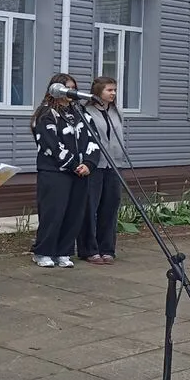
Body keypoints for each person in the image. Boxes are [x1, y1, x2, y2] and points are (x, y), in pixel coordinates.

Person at [30, 73, 100, 269]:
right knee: (53, 213)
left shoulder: (80, 112)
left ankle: (64, 251)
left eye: (73, 88)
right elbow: (50, 144)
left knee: (74, 213)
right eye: (66, 87)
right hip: (54, 172)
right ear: (55, 89)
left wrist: (89, 164)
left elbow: (94, 140)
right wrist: (73, 164)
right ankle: (43, 251)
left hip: (80, 172)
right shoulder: (46, 113)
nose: (71, 91)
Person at [78, 76, 125, 265]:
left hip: (114, 165)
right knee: (90, 207)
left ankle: (107, 248)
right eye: (109, 90)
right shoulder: (86, 112)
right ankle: (89, 249)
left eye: (114, 90)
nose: (113, 93)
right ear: (98, 91)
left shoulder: (116, 111)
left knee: (110, 207)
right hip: (95, 165)